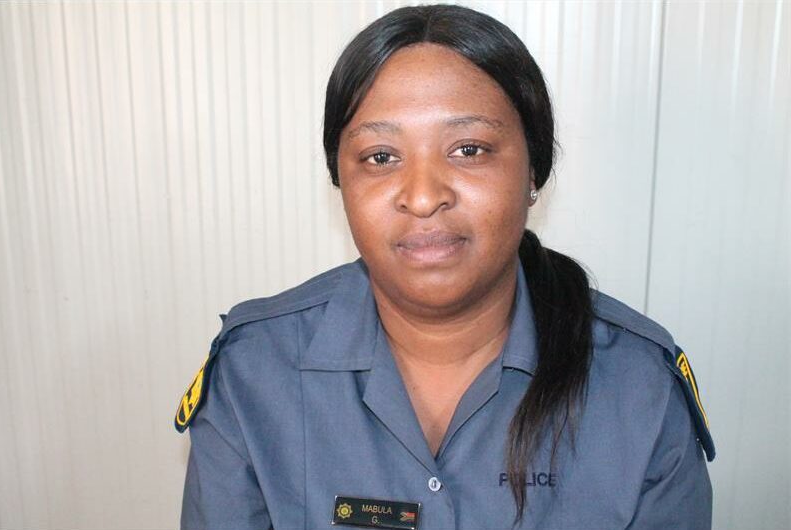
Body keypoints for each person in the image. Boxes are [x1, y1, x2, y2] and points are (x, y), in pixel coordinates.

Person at [174, 4, 714, 529]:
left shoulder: (639, 390)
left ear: (533, 172)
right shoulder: (253, 373)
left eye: (469, 149)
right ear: (341, 182)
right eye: (381, 157)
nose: (425, 195)